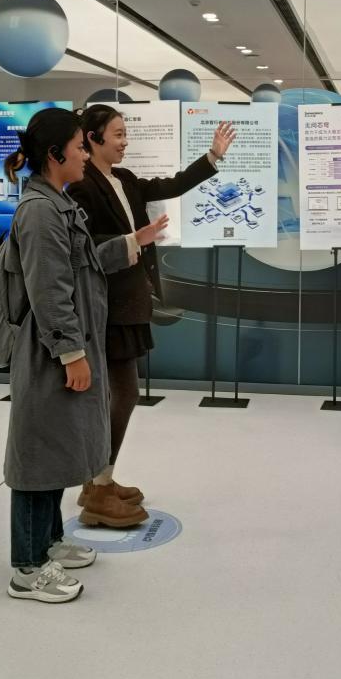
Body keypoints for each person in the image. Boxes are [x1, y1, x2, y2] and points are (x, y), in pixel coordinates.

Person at [2, 107, 168, 603]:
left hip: (64, 347)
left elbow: (86, 260)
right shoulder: (39, 211)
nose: (84, 155)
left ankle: (50, 542)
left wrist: (132, 242)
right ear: (56, 155)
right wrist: (72, 353)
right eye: (78, 147)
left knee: (57, 447)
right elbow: (49, 290)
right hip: (49, 352)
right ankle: (27, 567)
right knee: (37, 455)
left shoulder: (58, 204)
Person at [67, 104, 236, 524]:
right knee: (123, 394)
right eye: (118, 134)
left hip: (131, 300)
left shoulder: (124, 178)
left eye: (125, 134)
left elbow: (172, 184)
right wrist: (133, 240)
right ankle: (98, 487)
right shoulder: (83, 187)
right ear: (93, 138)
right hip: (108, 306)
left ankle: (99, 481)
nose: (125, 142)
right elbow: (86, 249)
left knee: (120, 394)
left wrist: (213, 156)